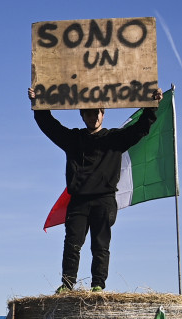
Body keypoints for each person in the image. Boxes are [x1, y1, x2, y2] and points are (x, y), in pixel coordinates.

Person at [29, 86, 162, 293]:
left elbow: (141, 128)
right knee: (72, 244)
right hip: (79, 201)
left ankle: (98, 285)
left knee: (100, 245)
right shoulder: (73, 139)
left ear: (103, 113)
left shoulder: (115, 139)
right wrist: (38, 105)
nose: (93, 117)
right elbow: (49, 126)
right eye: (88, 113)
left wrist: (152, 106)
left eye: (97, 113)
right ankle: (67, 284)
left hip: (104, 200)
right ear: (82, 116)